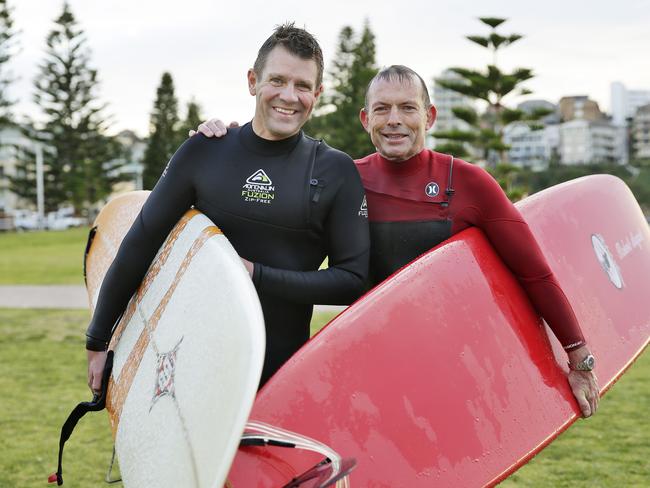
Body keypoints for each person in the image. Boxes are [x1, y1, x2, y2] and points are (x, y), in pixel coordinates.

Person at [194, 65, 599, 417]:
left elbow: (534, 272)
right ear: (365, 118)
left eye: (408, 108)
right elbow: (302, 253)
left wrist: (578, 354)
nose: (394, 120)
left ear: (431, 116)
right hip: (372, 362)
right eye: (382, 109)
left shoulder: (470, 183)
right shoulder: (343, 180)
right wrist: (233, 145)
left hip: (455, 363)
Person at [85, 23, 369, 391]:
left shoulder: (335, 171)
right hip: (186, 370)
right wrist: (97, 341)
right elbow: (141, 242)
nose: (289, 95)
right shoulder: (205, 150)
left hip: (279, 375)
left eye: (302, 86)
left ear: (318, 93)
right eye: (277, 80)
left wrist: (255, 273)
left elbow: (352, 281)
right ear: (253, 81)